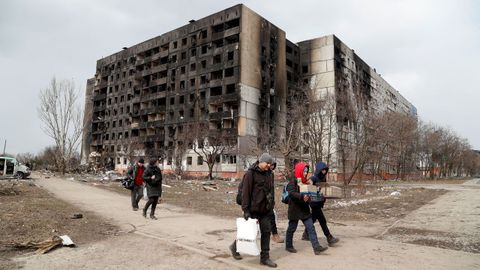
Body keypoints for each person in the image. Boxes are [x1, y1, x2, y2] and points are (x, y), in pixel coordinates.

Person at [229, 153, 277, 268]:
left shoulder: (270, 174)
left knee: (266, 232)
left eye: (270, 164)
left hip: (265, 209)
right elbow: (246, 193)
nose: (269, 165)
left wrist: (271, 205)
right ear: (261, 161)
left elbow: (271, 191)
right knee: (251, 233)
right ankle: (235, 247)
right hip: (253, 209)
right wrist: (246, 210)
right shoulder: (250, 174)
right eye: (267, 163)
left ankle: (265, 258)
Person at [285, 162, 328, 255]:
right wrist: (301, 196)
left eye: (306, 171)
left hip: (304, 209)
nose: (305, 173)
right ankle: (288, 246)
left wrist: (319, 196)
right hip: (295, 210)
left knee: (311, 227)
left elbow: (312, 194)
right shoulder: (293, 181)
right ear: (299, 170)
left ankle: (316, 247)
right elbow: (291, 193)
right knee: (292, 228)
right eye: (304, 171)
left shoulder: (306, 181)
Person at [301, 162, 339, 246]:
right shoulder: (314, 177)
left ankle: (305, 234)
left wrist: (327, 193)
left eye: (325, 170)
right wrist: (313, 188)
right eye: (323, 170)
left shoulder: (323, 178)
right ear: (319, 170)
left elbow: (324, 189)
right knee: (322, 220)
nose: (324, 172)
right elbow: (308, 184)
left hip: (320, 202)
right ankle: (329, 237)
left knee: (313, 219)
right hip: (314, 203)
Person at [268, 162, 284, 244]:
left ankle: (274, 235)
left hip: (268, 202)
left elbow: (271, 189)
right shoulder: (256, 174)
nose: (272, 167)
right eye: (271, 165)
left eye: (273, 166)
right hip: (258, 203)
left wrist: (272, 200)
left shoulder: (271, 174)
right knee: (251, 224)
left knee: (272, 217)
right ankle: (237, 244)